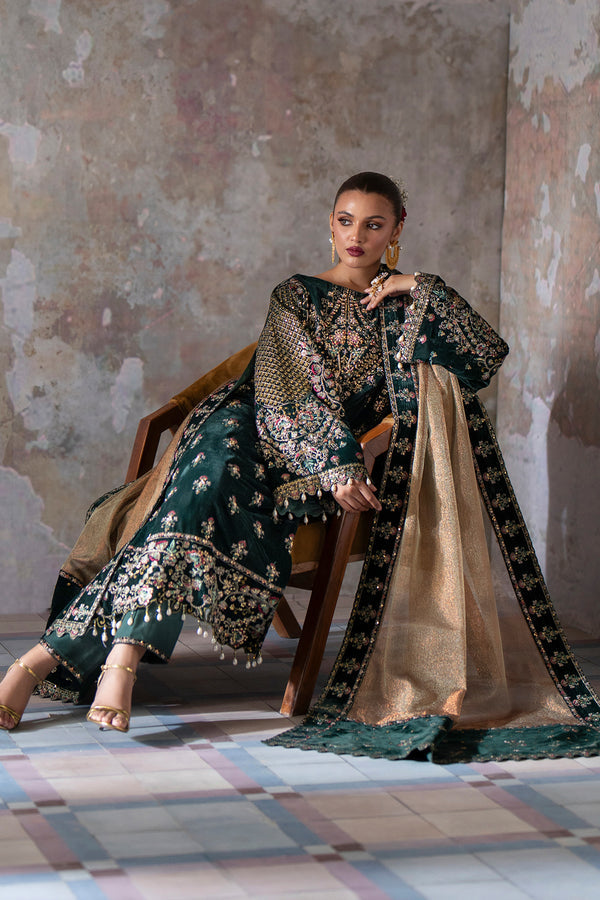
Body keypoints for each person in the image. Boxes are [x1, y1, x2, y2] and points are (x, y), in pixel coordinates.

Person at [1, 173, 599, 762]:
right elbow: (290, 391)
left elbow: (484, 353)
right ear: (329, 224)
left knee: (201, 503)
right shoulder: (297, 294)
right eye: (345, 221)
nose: (356, 236)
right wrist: (338, 464)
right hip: (251, 427)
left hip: (305, 470)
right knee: (215, 471)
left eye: (373, 225)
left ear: (397, 229)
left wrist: (420, 286)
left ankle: (48, 661)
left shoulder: (411, 307)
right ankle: (117, 658)